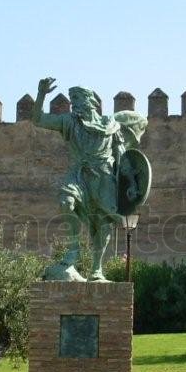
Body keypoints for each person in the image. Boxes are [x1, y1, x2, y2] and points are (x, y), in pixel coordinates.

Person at [31, 77, 147, 282]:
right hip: (79, 174)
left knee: (102, 225)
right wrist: (41, 94)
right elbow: (38, 119)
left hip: (104, 179)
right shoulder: (69, 122)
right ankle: (73, 249)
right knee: (66, 202)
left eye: (77, 98)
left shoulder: (110, 126)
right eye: (71, 99)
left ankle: (97, 270)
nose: (74, 103)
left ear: (91, 101)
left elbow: (122, 157)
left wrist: (131, 184)